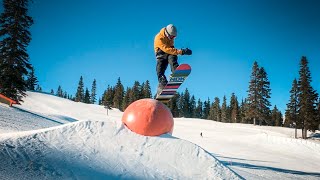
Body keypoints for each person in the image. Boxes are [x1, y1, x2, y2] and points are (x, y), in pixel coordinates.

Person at [154, 24, 192, 93]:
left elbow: (172, 49)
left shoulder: (171, 39)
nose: (172, 38)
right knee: (159, 69)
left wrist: (183, 51)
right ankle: (162, 84)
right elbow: (167, 49)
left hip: (169, 52)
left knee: (172, 57)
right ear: (167, 33)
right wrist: (181, 52)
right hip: (161, 55)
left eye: (174, 37)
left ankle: (176, 71)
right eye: (172, 37)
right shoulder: (159, 38)